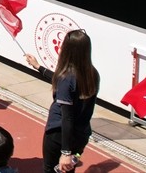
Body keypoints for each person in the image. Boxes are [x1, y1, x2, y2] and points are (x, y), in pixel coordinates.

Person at [25, 29, 100, 173]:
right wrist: (38, 67)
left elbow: (67, 117)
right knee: (69, 170)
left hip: (58, 136)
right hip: (81, 138)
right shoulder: (93, 74)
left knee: (50, 169)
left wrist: (65, 152)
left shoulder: (67, 78)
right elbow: (59, 80)